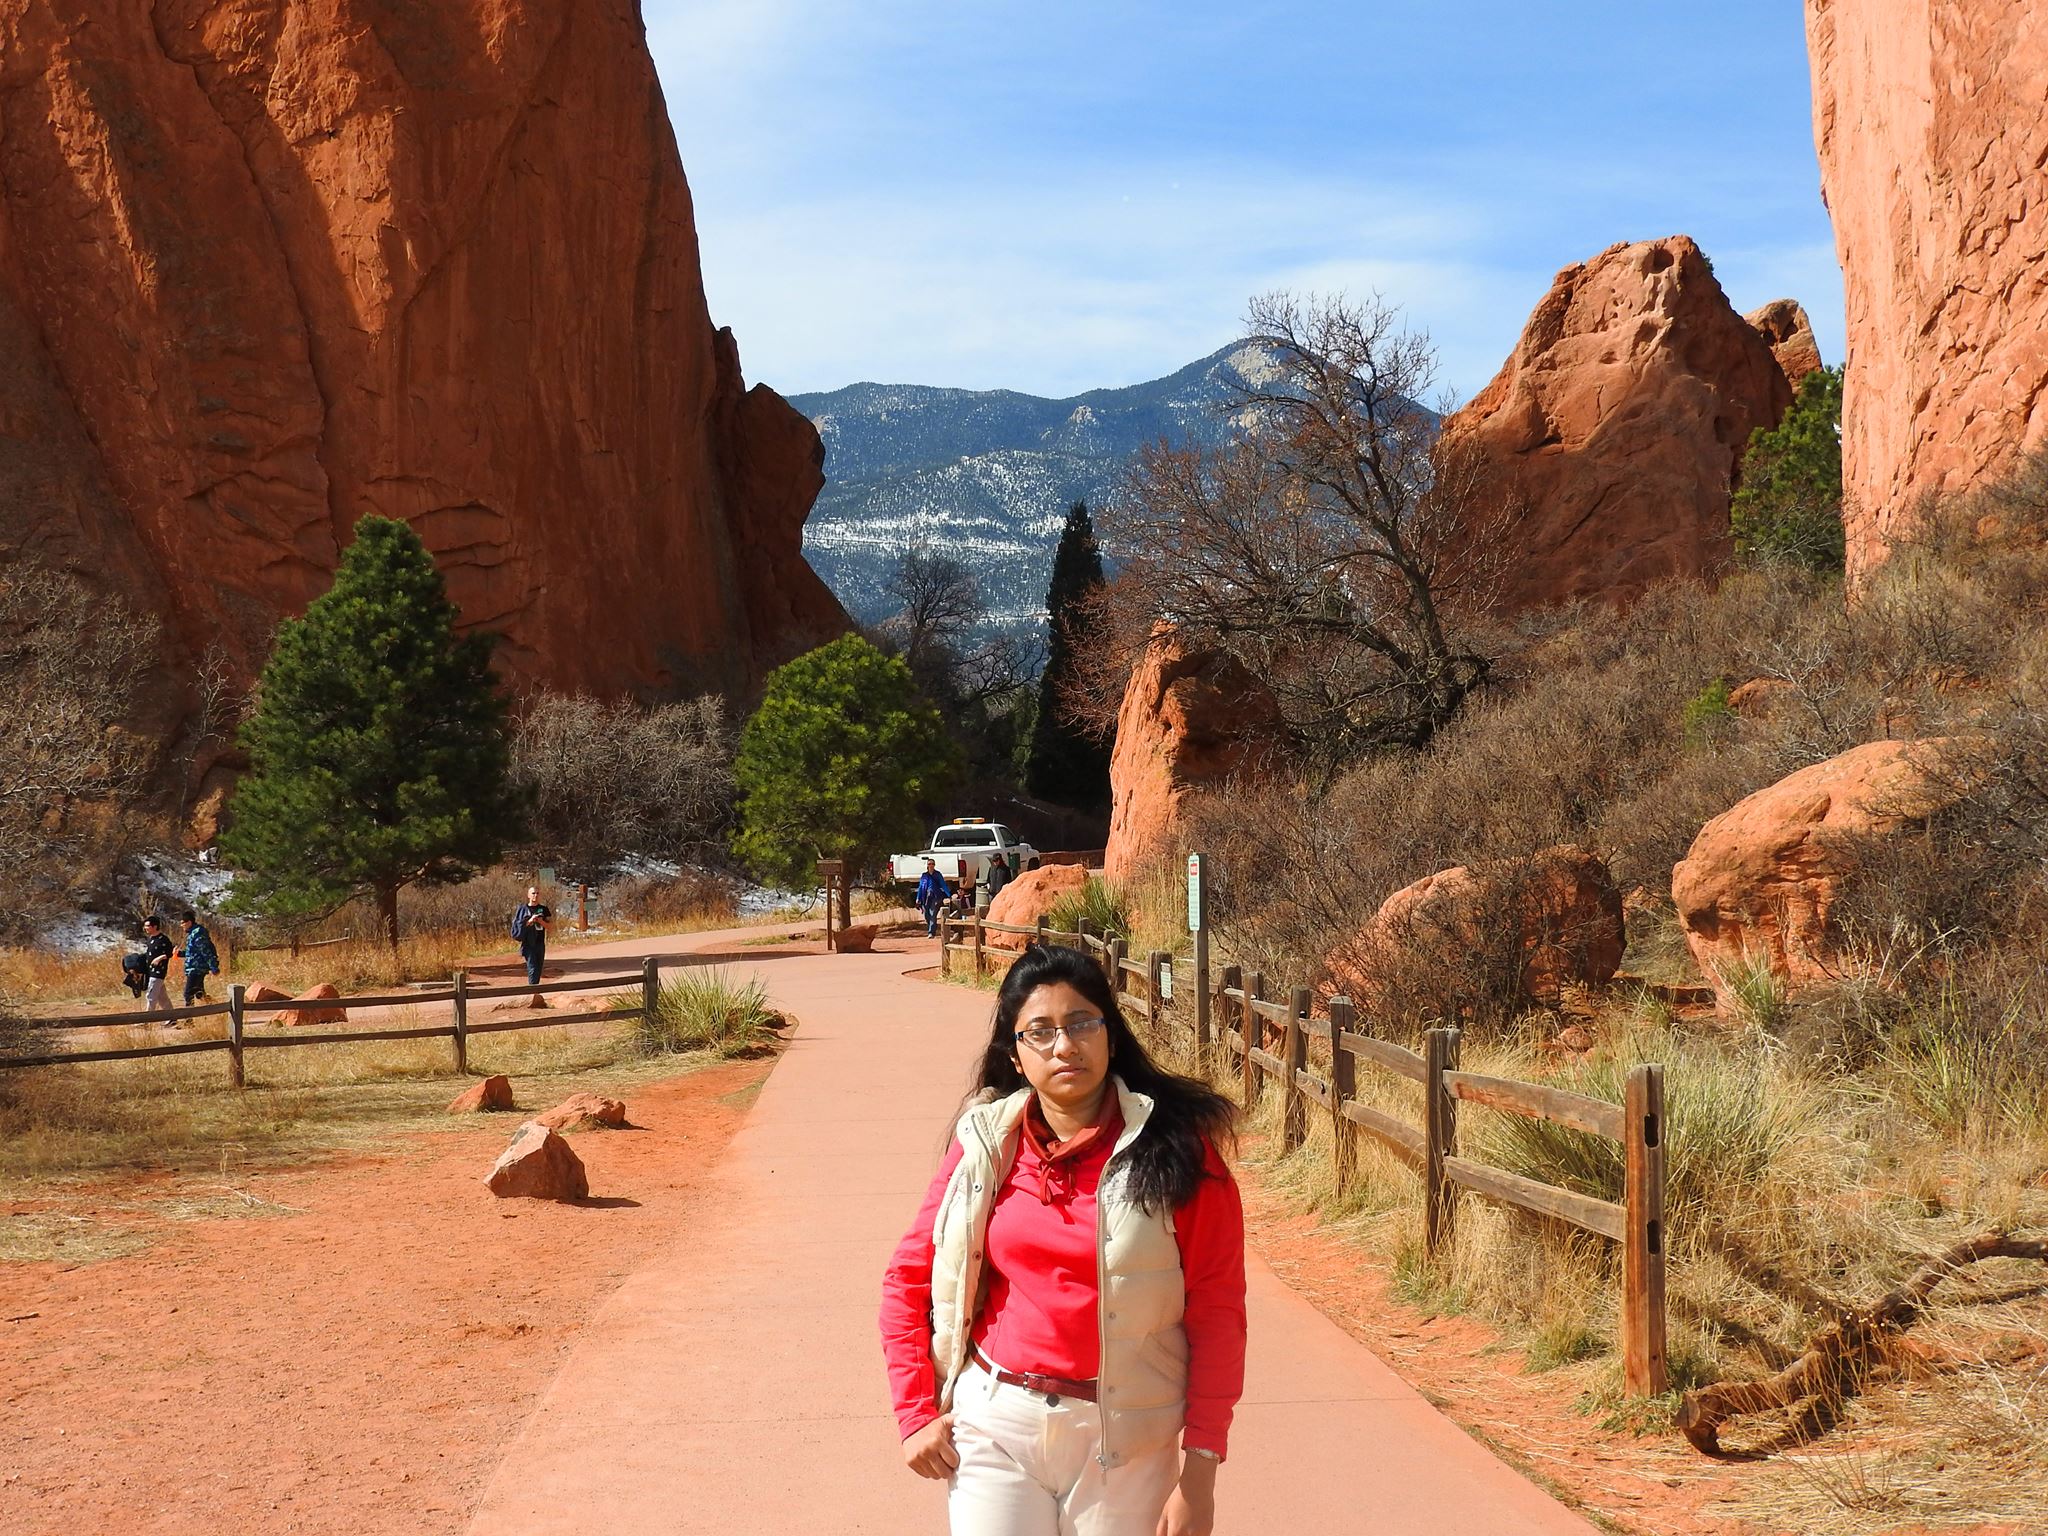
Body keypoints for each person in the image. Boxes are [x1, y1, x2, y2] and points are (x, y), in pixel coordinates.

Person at [879, 943, 1246, 1536]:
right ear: (1016, 1056)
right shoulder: (983, 1146)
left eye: (1081, 1023)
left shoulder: (1178, 1154)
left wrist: (1200, 1472)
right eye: (1040, 1032)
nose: (1064, 1046)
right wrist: (915, 1412)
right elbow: (907, 1277)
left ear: (1111, 1036)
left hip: (1125, 1434)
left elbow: (1218, 1311)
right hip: (995, 1421)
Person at [179, 910, 221, 1007]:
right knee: (199, 994)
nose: (181, 926)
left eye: (182, 923)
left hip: (197, 969)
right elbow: (193, 953)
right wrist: (180, 954)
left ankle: (189, 1020)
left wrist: (214, 966)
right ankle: (216, 1007)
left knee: (188, 994)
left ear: (189, 922)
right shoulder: (192, 934)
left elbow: (205, 951)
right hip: (193, 968)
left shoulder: (198, 934)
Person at [512, 885, 550, 987]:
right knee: (532, 968)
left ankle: (534, 991)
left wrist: (540, 921)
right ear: (528, 895)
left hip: (540, 943)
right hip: (528, 943)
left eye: (537, 893)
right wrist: (530, 921)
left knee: (538, 968)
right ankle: (532, 991)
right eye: (533, 893)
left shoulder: (544, 909)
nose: (535, 895)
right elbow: (518, 926)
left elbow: (550, 926)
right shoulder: (523, 909)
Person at [139, 915, 174, 1015]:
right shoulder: (150, 939)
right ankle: (172, 1018)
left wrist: (160, 958)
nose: (145, 928)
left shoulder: (163, 939)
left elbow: (170, 953)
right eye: (145, 926)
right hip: (151, 971)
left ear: (155, 926)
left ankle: (147, 1020)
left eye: (148, 926)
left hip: (159, 972)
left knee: (151, 995)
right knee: (162, 997)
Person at [915, 859, 952, 939]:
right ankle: (932, 927)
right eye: (929, 864)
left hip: (935, 897)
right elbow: (921, 887)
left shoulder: (937, 874)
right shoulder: (924, 875)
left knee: (933, 913)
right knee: (926, 914)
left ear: (934, 865)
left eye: (932, 864)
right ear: (927, 865)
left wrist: (949, 894)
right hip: (925, 897)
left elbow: (943, 885)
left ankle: (931, 932)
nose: (931, 865)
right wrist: (918, 898)